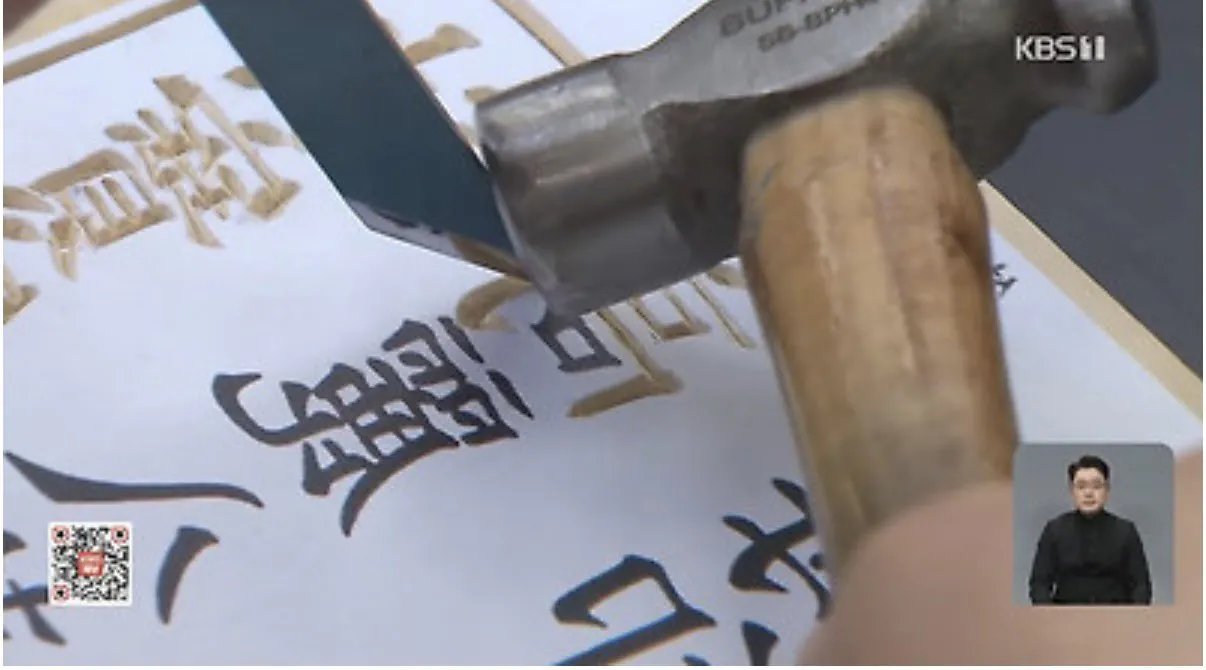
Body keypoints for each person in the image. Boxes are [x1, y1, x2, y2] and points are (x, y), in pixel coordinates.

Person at [1027, 455, 1152, 605]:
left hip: (1116, 614)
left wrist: (1134, 615)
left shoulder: (1126, 531)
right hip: (1067, 614)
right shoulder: (1054, 530)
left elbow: (1141, 585)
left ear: (1107, 490)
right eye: (1081, 486)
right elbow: (1039, 584)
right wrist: (1050, 614)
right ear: (1072, 491)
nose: (1088, 493)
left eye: (1096, 486)